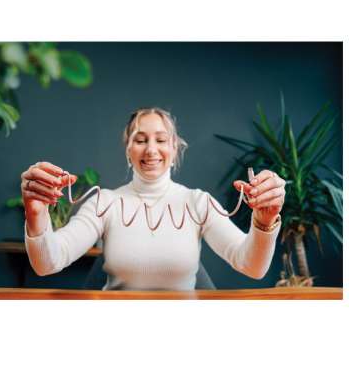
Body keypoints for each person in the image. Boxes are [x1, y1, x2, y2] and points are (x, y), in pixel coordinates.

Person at [21, 107, 286, 290]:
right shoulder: (104, 203)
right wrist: (36, 214)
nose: (151, 150)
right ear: (128, 150)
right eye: (140, 140)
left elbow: (252, 266)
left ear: (174, 148)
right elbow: (48, 263)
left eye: (160, 140)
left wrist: (265, 222)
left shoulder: (197, 203)